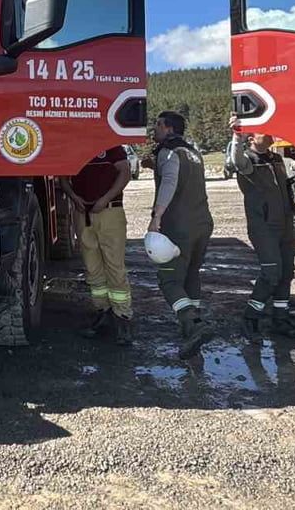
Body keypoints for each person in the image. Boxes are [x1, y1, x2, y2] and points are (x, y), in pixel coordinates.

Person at [227, 115, 295, 340]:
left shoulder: (275, 159)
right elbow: (236, 160)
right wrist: (236, 135)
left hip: (284, 225)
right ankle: (250, 318)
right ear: (252, 138)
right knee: (271, 273)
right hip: (264, 227)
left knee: (286, 273)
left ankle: (280, 320)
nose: (270, 134)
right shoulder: (249, 160)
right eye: (264, 131)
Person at [148, 111, 214, 358]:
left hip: (179, 225)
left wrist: (156, 218)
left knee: (169, 279)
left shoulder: (169, 152)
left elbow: (169, 184)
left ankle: (192, 324)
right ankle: (193, 321)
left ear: (168, 128)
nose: (154, 129)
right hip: (202, 223)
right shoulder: (193, 152)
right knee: (191, 274)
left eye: (157, 124)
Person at [60, 146, 134, 345]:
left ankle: (123, 319)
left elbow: (125, 173)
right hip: (82, 213)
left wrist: (106, 199)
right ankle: (102, 312)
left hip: (109, 212)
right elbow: (63, 178)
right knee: (92, 268)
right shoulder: (76, 148)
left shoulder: (112, 147)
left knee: (114, 267)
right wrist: (74, 197)